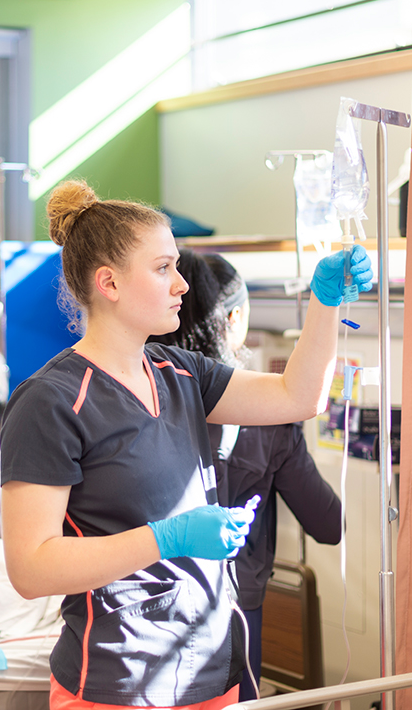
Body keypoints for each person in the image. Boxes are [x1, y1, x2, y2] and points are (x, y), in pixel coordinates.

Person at [0, 179, 371, 710]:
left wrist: (324, 303)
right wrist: (166, 538)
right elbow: (31, 569)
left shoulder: (181, 373)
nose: (182, 286)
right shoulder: (50, 402)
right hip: (121, 679)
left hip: (213, 664)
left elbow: (298, 396)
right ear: (110, 283)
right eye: (162, 268)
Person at [150, 249, 342, 702]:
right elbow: (329, 525)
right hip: (235, 611)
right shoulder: (270, 421)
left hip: (152, 607)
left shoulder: (148, 393)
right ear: (234, 319)